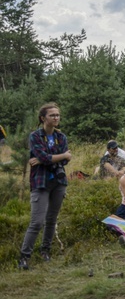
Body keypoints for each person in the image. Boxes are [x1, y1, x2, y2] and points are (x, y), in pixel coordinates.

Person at [18, 103, 73, 270]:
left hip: (58, 182)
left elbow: (61, 160)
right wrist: (60, 155)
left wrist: (45, 159)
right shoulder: (35, 136)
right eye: (52, 115)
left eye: (57, 115)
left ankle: (45, 251)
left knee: (51, 220)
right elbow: (57, 156)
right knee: (37, 221)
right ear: (43, 118)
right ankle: (24, 257)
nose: (56, 117)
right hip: (40, 183)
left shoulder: (61, 136)